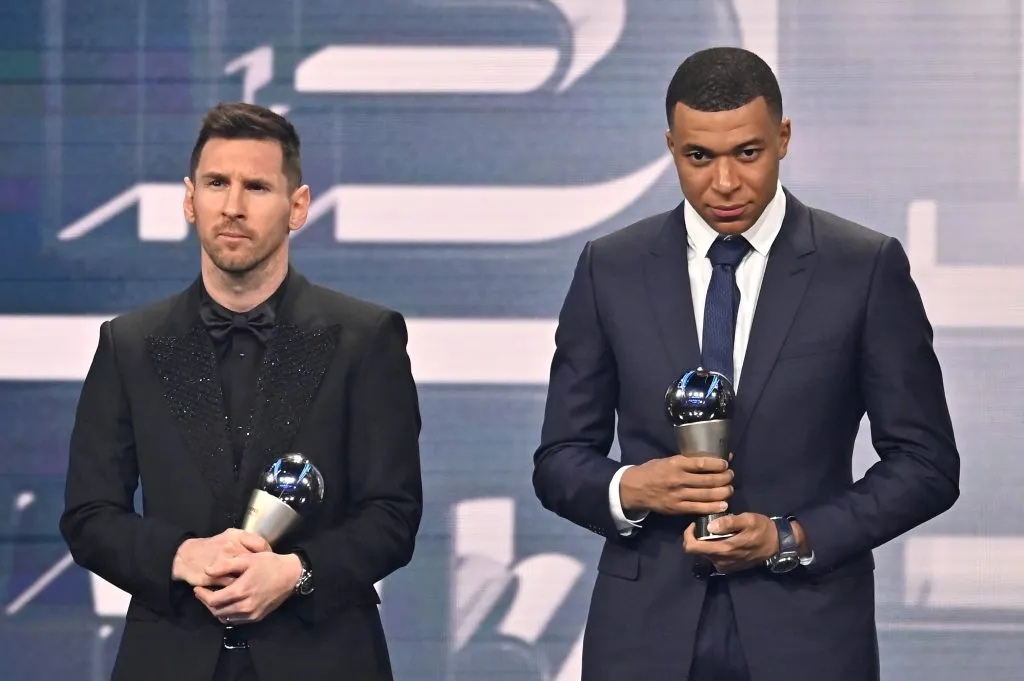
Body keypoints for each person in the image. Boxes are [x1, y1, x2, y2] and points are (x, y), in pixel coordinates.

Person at [532, 46, 960, 681]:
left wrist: (792, 537)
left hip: (807, 635)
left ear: (783, 138)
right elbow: (560, 459)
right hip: (643, 638)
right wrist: (633, 487)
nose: (724, 182)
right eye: (698, 157)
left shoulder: (862, 268)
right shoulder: (610, 268)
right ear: (671, 146)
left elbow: (927, 465)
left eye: (747, 153)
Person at [59, 102, 423, 681]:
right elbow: (90, 514)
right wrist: (182, 556)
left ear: (297, 206)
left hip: (324, 657)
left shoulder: (366, 338)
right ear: (188, 199)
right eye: (215, 183)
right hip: (169, 658)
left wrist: (296, 571)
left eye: (256, 186)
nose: (232, 206)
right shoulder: (129, 344)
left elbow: (393, 515)